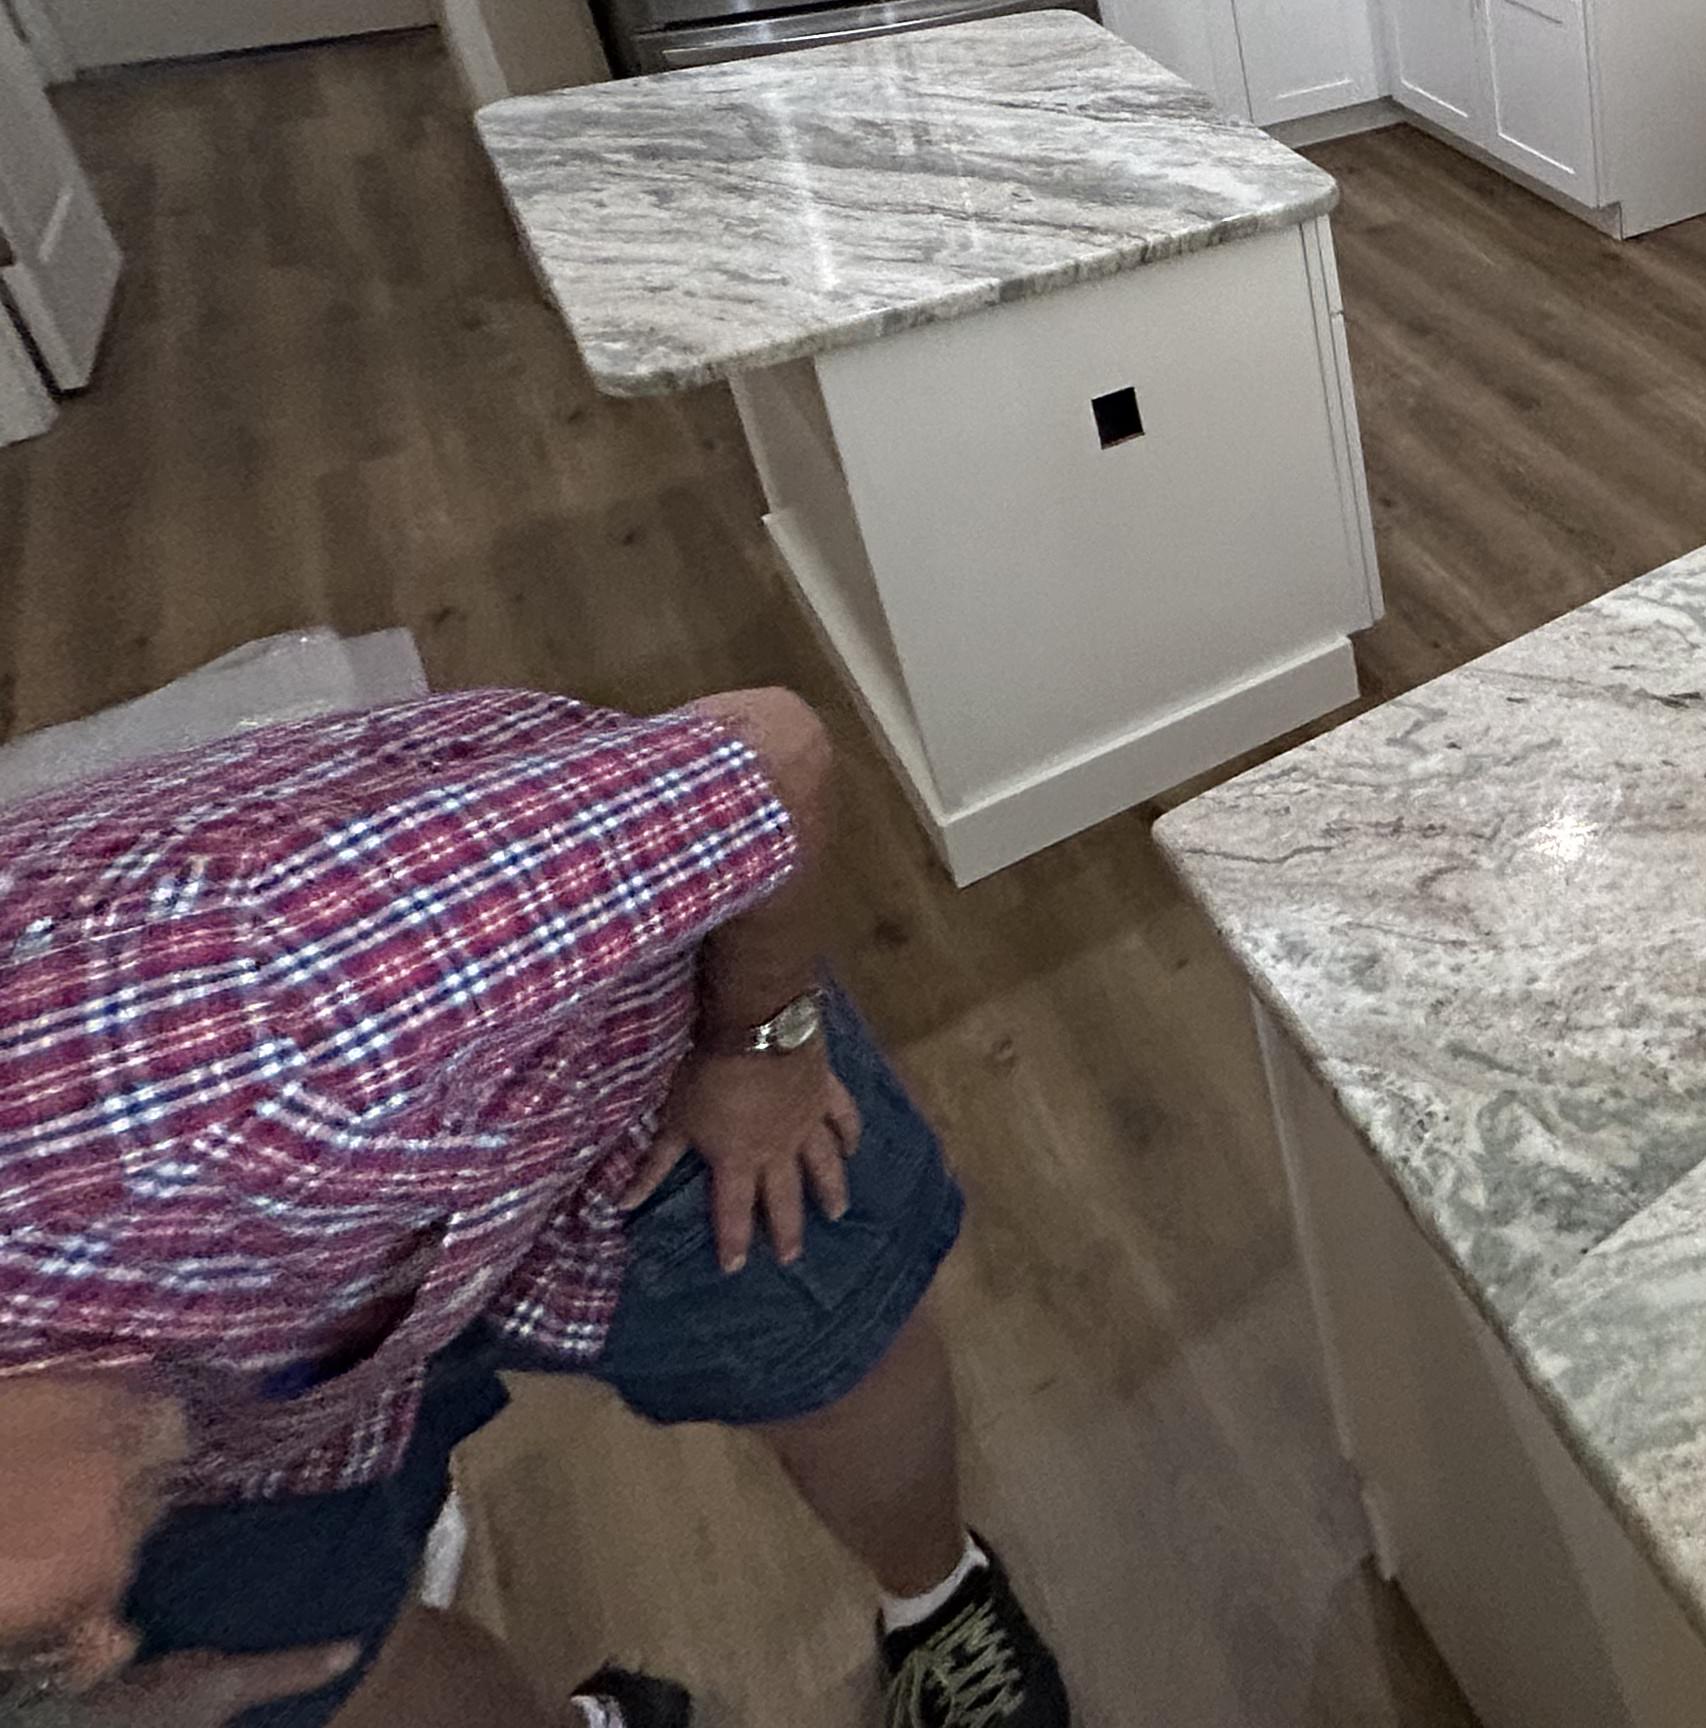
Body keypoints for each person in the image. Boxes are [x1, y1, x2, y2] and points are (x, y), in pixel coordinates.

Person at [0, 681, 1072, 1728]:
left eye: (36, 1658)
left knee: (820, 1326)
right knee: (301, 1674)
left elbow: (769, 753)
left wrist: (760, 1041)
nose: (95, 1663)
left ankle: (940, 1597)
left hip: (601, 1073)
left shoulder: (286, 1016)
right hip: (247, 1332)